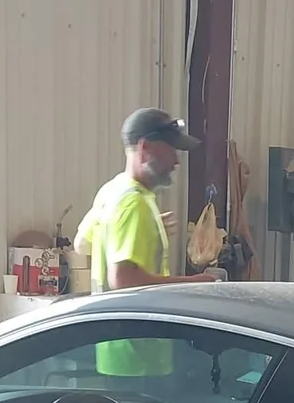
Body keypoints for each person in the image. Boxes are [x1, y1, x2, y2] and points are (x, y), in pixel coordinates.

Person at [77, 108, 222, 379]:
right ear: (145, 148)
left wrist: (145, 233)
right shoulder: (135, 203)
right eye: (172, 150)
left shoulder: (113, 191)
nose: (176, 161)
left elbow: (82, 244)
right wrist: (194, 284)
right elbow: (122, 279)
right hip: (139, 356)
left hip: (113, 350)